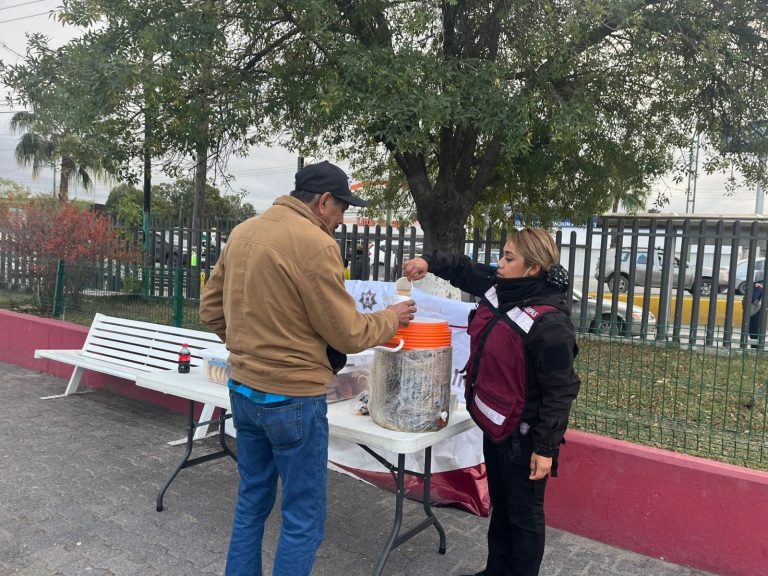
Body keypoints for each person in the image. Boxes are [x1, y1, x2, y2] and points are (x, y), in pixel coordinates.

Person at [200, 160, 415, 576]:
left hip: (243, 388)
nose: (341, 219)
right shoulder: (316, 244)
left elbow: (210, 311)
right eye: (341, 208)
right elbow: (348, 333)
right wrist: (391, 318)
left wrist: (250, 347)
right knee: (303, 518)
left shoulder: (243, 232)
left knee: (251, 503)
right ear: (324, 201)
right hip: (293, 397)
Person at [403, 228, 581, 576]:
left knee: (524, 516)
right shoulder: (499, 286)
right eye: (502, 254)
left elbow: (560, 392)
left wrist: (545, 449)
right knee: (502, 505)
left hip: (526, 437)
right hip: (497, 427)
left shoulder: (550, 324)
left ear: (532, 268)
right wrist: (427, 262)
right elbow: (462, 267)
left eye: (509, 258)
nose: (499, 263)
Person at [745, 281, 764, 349]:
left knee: (754, 330)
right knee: (756, 331)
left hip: (756, 312)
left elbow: (754, 297)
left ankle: (755, 347)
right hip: (758, 312)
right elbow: (754, 297)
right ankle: (755, 347)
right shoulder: (759, 286)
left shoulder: (758, 286)